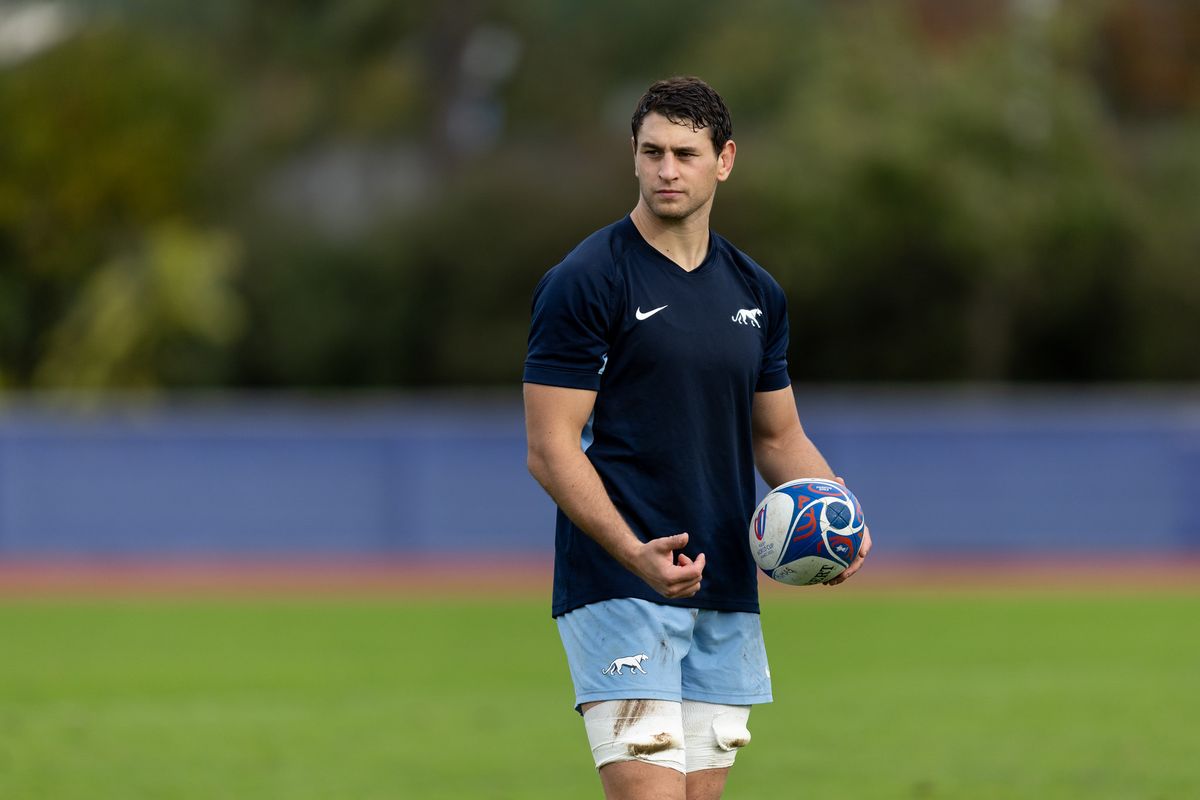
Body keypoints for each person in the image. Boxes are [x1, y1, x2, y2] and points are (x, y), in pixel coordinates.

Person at [523, 76, 871, 800]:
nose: (666, 169)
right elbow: (550, 446)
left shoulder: (756, 292)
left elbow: (778, 438)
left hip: (725, 585)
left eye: (685, 152)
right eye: (652, 151)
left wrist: (838, 509)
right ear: (635, 156)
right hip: (619, 583)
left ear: (725, 160)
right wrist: (631, 552)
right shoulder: (586, 280)